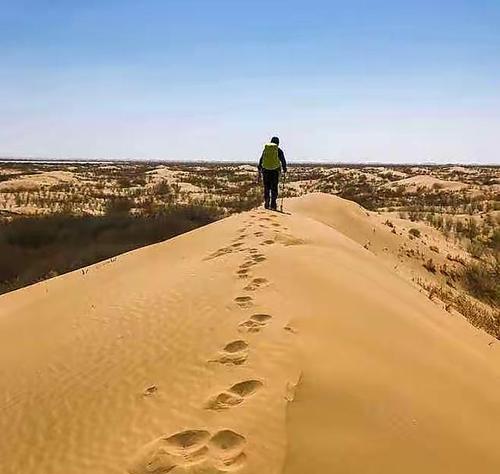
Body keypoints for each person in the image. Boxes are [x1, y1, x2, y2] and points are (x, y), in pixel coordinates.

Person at [258, 136, 287, 210]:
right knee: (274, 187)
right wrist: (284, 169)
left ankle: (267, 201)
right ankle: (273, 204)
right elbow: (283, 160)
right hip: (275, 171)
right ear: (278, 143)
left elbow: (261, 159)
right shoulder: (278, 150)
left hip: (265, 171)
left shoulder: (266, 150)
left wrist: (259, 168)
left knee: (266, 187)